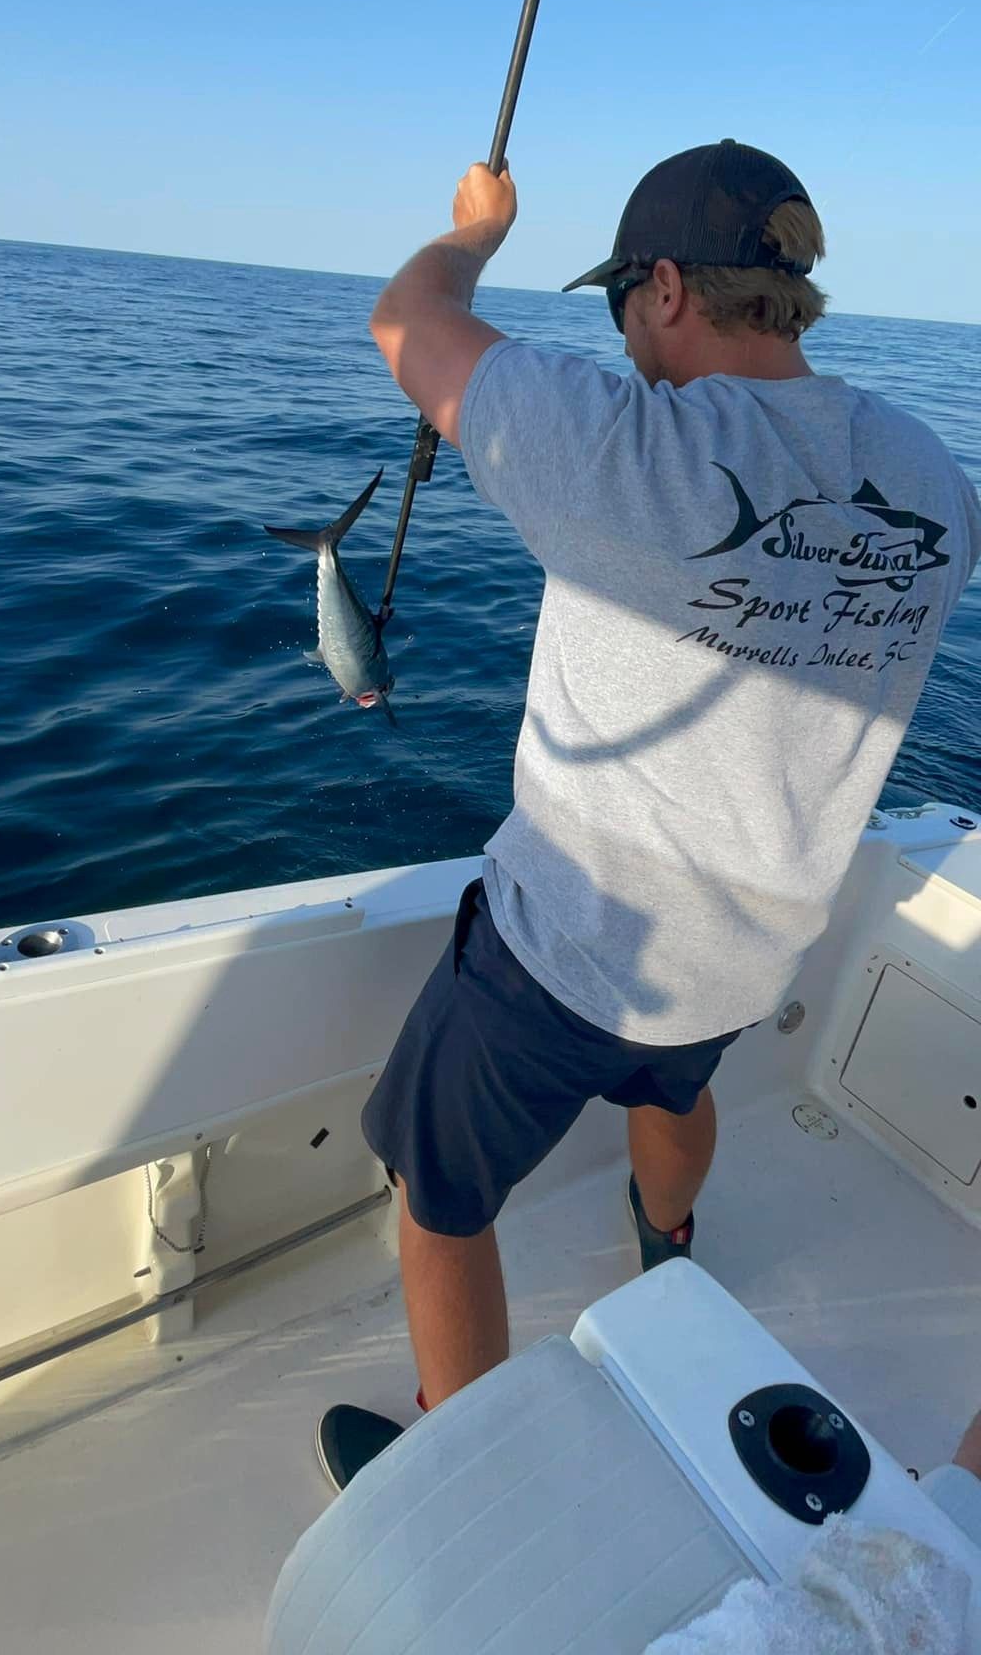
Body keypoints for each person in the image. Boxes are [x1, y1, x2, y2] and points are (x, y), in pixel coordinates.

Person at [314, 141, 981, 1492]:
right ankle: (669, 1245)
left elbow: (406, 321)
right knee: (673, 1083)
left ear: (668, 285)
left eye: (623, 297)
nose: (621, 333)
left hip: (558, 955)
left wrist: (474, 234)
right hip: (750, 949)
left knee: (437, 1202)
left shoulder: (619, 446)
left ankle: (462, 1472)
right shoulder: (929, 475)